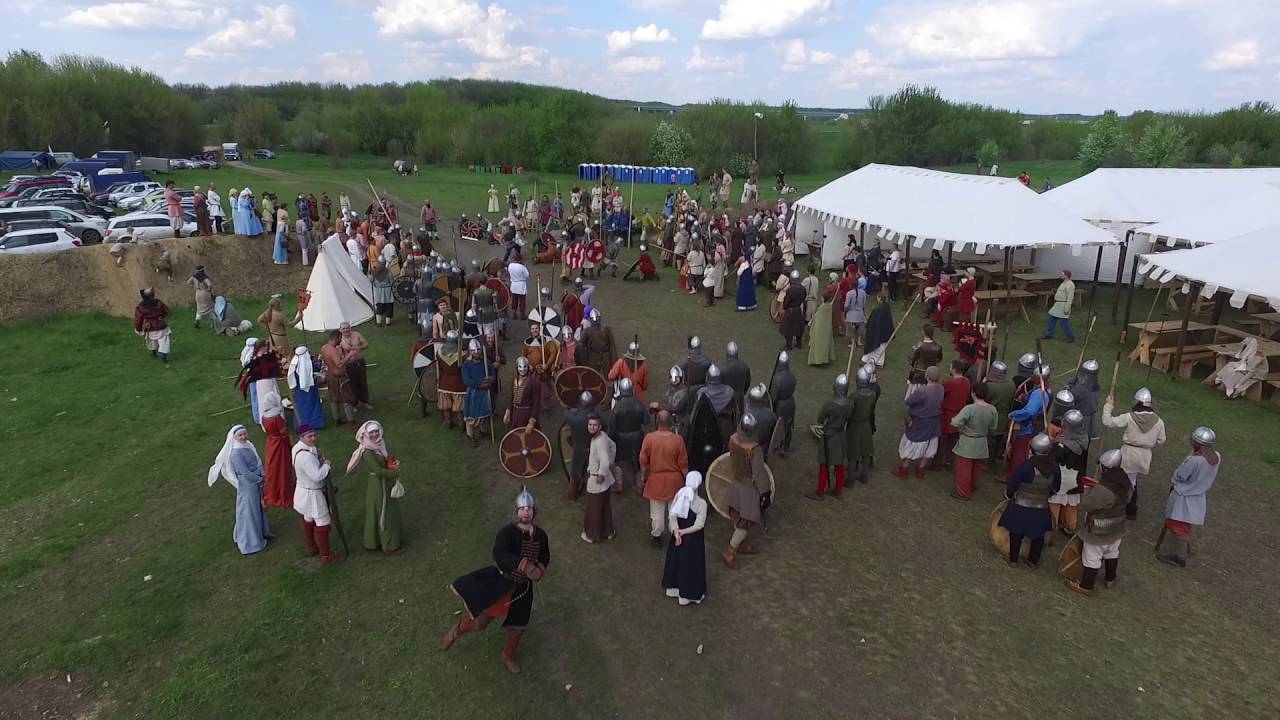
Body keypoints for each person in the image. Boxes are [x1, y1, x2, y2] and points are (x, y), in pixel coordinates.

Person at [440, 487, 549, 674]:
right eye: (522, 509)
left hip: (523, 589)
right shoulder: (507, 533)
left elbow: (545, 556)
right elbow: (499, 553)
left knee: (517, 627)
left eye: (529, 509)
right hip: (501, 584)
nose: (526, 512)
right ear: (516, 512)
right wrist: (523, 565)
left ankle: (507, 656)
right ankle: (457, 630)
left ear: (534, 512)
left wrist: (539, 569)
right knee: (480, 623)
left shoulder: (541, 535)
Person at [1066, 449, 1130, 595]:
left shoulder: (1105, 490)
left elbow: (1087, 504)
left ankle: (1086, 586)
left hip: (1100, 529)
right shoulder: (1125, 481)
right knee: (1112, 552)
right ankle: (1110, 579)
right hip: (1117, 525)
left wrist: (1087, 492)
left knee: (1092, 557)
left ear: (1104, 468)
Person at [1157, 426, 1219, 567]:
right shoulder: (1216, 456)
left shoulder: (1195, 461)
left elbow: (1181, 475)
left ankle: (1180, 557)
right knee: (1184, 524)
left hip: (1184, 495)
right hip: (1198, 496)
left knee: (1177, 526)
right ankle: (1184, 550)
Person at [1102, 386, 1166, 519]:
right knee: (1132, 480)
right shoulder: (1159, 421)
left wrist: (1108, 405)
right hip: (1144, 456)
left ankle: (1125, 508)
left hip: (1129, 454)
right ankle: (1130, 509)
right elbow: (1161, 440)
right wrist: (1148, 440)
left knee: (1125, 481)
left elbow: (1107, 421)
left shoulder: (1129, 417)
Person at [207, 424, 272, 555]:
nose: (243, 437)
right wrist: (259, 479)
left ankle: (261, 532)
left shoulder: (249, 445)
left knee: (258, 508)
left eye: (244, 434)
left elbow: (258, 462)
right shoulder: (235, 454)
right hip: (248, 485)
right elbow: (245, 473)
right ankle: (251, 542)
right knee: (249, 511)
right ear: (234, 437)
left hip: (256, 481)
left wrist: (262, 474)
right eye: (240, 435)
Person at [999, 433, 1060, 568]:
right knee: (1039, 534)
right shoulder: (1055, 469)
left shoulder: (1026, 467)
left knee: (1016, 532)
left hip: (1021, 504)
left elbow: (1012, 485)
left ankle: (1013, 559)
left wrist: (1010, 495)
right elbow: (1056, 487)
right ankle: (1033, 561)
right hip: (1042, 506)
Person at [345, 420, 402, 555]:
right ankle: (388, 545)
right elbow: (377, 470)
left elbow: (385, 460)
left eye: (376, 431)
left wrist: (392, 463)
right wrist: (395, 473)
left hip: (386, 482)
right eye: (371, 432)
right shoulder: (367, 452)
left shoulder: (380, 444)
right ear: (366, 434)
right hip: (377, 485)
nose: (375, 434)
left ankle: (381, 540)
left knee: (389, 511)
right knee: (383, 512)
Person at [722, 414, 771, 569]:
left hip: (736, 485)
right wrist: (765, 493)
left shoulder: (732, 439)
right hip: (748, 490)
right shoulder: (755, 450)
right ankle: (730, 552)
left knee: (749, 520)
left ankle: (745, 545)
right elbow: (758, 474)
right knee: (745, 523)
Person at [640, 410, 689, 548]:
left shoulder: (649, 438)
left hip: (656, 480)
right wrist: (687, 480)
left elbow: (643, 460)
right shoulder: (678, 440)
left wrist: (643, 476)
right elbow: (683, 463)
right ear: (671, 423)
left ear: (657, 422)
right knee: (675, 511)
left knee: (656, 512)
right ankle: (676, 534)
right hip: (675, 482)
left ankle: (656, 537)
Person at [291, 425, 339, 565]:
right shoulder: (306, 457)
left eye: (314, 435)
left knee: (308, 518)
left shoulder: (297, 448)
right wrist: (326, 465)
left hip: (302, 490)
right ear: (301, 437)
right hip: (313, 493)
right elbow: (317, 476)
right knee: (322, 522)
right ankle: (326, 556)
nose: (313, 438)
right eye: (309, 436)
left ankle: (312, 547)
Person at [662, 471, 707, 606]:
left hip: (678, 539)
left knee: (677, 562)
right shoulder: (701, 503)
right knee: (691, 566)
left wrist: (676, 532)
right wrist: (682, 532)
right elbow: (699, 525)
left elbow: (672, 516)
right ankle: (688, 594)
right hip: (693, 541)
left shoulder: (679, 495)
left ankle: (674, 589)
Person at [893, 366, 944, 478]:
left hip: (920, 422)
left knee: (913, 443)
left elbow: (909, 401)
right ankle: (921, 469)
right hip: (934, 421)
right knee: (930, 444)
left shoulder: (922, 391)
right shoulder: (941, 388)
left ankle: (904, 470)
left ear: (927, 376)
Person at [950, 383, 998, 500]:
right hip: (981, 442)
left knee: (964, 469)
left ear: (973, 394)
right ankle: (972, 486)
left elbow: (955, 422)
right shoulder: (992, 409)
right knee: (976, 468)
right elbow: (993, 427)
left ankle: (963, 492)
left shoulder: (970, 408)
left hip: (968, 442)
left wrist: (963, 427)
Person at [809, 374, 853, 500]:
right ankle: (838, 490)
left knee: (824, 464)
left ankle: (820, 492)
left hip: (829, 436)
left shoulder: (830, 404)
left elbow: (820, 419)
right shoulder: (850, 403)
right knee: (839, 463)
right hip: (840, 434)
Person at [1007, 363, 1051, 479]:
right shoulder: (1047, 390)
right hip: (1036, 426)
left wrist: (1015, 414)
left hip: (1029, 428)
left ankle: (1014, 477)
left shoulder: (1039, 393)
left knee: (1020, 453)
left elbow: (1030, 412)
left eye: (1034, 376)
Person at [582, 416, 617, 543]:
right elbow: (613, 446)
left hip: (597, 478)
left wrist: (601, 474)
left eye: (595, 425)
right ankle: (608, 531)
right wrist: (610, 463)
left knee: (593, 508)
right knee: (605, 506)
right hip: (604, 478)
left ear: (600, 426)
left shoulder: (599, 441)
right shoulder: (602, 435)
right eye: (590, 425)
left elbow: (604, 459)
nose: (592, 427)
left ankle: (592, 536)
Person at [610, 378, 648, 493]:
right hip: (637, 437)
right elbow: (646, 421)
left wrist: (611, 438)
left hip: (622, 438)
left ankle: (619, 484)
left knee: (619, 461)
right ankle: (639, 484)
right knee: (637, 461)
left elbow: (612, 426)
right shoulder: (639, 404)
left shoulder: (617, 407)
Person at [258, 392, 295, 508]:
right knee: (282, 469)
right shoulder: (277, 418)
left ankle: (273, 492)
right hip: (280, 446)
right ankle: (284, 493)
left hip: (271, 443)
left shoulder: (264, 417)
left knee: (273, 468)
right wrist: (289, 442)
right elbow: (284, 434)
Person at [939, 360, 972, 470]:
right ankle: (949, 461)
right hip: (959, 415)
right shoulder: (967, 382)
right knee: (953, 439)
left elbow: (940, 393)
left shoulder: (951, 383)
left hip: (947, 414)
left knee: (943, 439)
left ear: (954, 369)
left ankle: (939, 461)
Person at [462, 339, 496, 448]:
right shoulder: (466, 365)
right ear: (470, 351)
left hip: (486, 392)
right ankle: (472, 436)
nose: (476, 352)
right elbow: (467, 381)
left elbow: (492, 373)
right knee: (472, 416)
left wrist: (490, 380)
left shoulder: (486, 362)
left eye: (478, 350)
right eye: (474, 350)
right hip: (474, 393)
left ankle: (483, 431)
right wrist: (480, 384)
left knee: (486, 413)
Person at [320, 330, 356, 426]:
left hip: (330, 375)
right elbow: (339, 364)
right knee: (347, 398)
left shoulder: (324, 347)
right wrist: (350, 355)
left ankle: (337, 420)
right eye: (340, 338)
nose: (341, 340)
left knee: (334, 397)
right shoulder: (333, 350)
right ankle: (351, 421)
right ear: (336, 338)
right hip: (339, 377)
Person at [337, 322, 372, 411]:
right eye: (343, 328)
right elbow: (340, 355)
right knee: (352, 384)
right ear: (340, 330)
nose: (346, 330)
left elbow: (366, 344)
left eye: (347, 328)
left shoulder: (356, 334)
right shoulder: (339, 340)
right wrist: (348, 354)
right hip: (350, 364)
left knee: (363, 382)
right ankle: (354, 404)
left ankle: (365, 401)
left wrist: (358, 347)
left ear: (350, 328)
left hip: (360, 362)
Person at [288, 346, 325, 430]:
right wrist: (319, 360)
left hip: (299, 390)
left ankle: (300, 423)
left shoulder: (294, 363)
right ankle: (315, 423)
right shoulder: (308, 363)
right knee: (313, 406)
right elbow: (317, 368)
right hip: (311, 388)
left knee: (301, 406)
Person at [133, 287, 171, 365]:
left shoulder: (141, 306)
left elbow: (138, 319)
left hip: (149, 326)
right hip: (161, 324)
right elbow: (166, 311)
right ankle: (163, 354)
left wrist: (138, 328)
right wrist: (161, 316)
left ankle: (153, 352)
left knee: (151, 340)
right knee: (164, 340)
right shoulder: (158, 302)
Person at [1045, 271, 1076, 342]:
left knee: (1063, 322)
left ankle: (1071, 337)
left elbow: (1070, 297)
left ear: (1067, 276)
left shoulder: (1070, 284)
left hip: (1063, 305)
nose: (1061, 275)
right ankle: (1048, 335)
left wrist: (1067, 308)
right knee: (1051, 319)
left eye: (1062, 274)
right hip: (1057, 305)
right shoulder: (1063, 283)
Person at [780, 270, 807, 351]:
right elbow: (803, 298)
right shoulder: (803, 288)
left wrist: (785, 307)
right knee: (798, 328)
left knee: (788, 329)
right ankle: (798, 344)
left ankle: (788, 346)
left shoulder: (790, 290)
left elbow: (786, 302)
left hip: (790, 311)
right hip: (798, 310)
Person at [507, 253, 529, 319]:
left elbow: (508, 273)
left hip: (514, 284)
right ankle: (522, 315)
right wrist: (525, 267)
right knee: (522, 301)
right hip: (521, 285)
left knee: (514, 300)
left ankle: (514, 314)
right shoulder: (522, 267)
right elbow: (527, 275)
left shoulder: (510, 265)